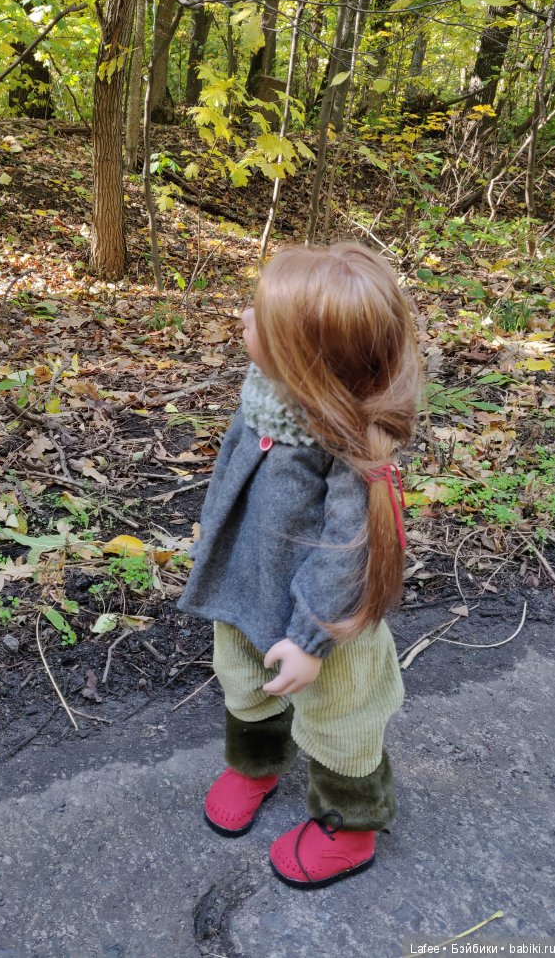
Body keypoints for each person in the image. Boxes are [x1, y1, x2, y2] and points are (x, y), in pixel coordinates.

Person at [178, 242, 419, 889]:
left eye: (259, 320)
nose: (243, 323)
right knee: (244, 679)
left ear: (305, 361)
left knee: (340, 720)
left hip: (324, 621)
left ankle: (353, 821)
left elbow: (351, 552)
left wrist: (313, 638)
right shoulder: (268, 395)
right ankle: (256, 761)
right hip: (248, 584)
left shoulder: (345, 446)